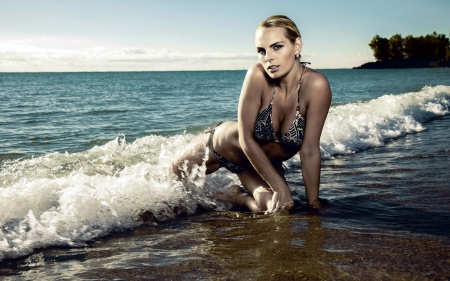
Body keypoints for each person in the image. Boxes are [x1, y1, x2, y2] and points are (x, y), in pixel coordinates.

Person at [172, 15, 331, 213]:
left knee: (280, 208)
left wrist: (313, 204)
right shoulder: (257, 74)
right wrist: (280, 187)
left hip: (258, 164)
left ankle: (236, 197)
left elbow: (309, 151)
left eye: (277, 47)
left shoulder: (317, 85)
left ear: (297, 45)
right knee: (169, 184)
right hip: (221, 149)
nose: (268, 57)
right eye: (261, 50)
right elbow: (246, 139)